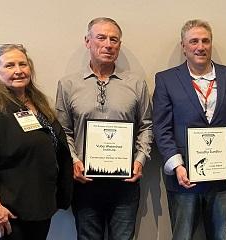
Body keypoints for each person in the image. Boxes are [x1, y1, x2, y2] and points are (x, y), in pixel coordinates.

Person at [55, 17, 152, 240]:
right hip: (85, 184)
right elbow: (63, 130)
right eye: (101, 38)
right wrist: (73, 161)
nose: (108, 44)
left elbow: (146, 125)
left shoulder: (136, 83)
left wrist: (139, 160)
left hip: (125, 184)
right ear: (87, 41)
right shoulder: (68, 84)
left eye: (114, 40)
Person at [153, 19, 226, 240]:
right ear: (183, 46)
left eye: (205, 41)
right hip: (183, 177)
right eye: (194, 41)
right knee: (183, 236)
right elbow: (162, 127)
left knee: (220, 236)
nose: (200, 46)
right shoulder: (166, 79)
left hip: (222, 175)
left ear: (211, 44)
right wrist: (177, 166)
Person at [0, 44, 73, 240]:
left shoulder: (37, 104)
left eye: (23, 64)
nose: (18, 70)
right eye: (9, 65)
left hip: (36, 206)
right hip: (4, 210)